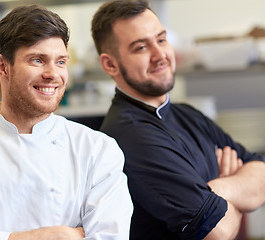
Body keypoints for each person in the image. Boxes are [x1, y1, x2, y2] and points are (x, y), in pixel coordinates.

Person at [0, 4, 133, 240]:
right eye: (37, 60)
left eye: (61, 62)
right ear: (3, 66)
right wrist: (56, 235)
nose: (53, 74)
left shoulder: (97, 150)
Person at [91, 0, 265, 239]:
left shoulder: (186, 113)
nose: (160, 54)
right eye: (141, 47)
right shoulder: (130, 136)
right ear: (110, 64)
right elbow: (218, 231)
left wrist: (216, 190)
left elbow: (262, 177)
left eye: (161, 40)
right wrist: (237, 188)